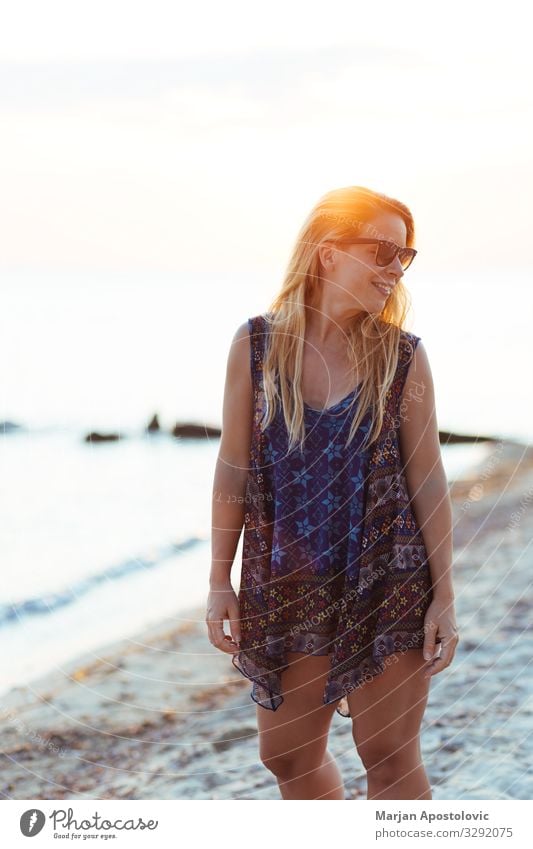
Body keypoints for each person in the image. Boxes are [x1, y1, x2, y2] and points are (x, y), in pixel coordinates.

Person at [206, 185, 458, 800]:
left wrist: (444, 598)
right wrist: (220, 581)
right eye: (381, 251)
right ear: (326, 254)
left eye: (404, 256)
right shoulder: (257, 346)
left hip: (387, 578)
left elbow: (428, 479)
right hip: (286, 580)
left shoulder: (400, 358)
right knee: (287, 758)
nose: (394, 269)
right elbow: (233, 467)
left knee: (389, 758)